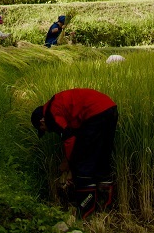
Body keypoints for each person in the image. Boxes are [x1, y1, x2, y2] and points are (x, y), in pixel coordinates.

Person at [31, 88, 118, 218]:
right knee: (102, 159)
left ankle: (85, 215)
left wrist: (69, 165)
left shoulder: (51, 114)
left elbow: (69, 139)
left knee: (83, 166)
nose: (47, 131)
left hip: (94, 114)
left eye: (42, 129)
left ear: (42, 121)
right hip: (110, 108)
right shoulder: (57, 104)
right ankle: (105, 211)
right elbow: (75, 133)